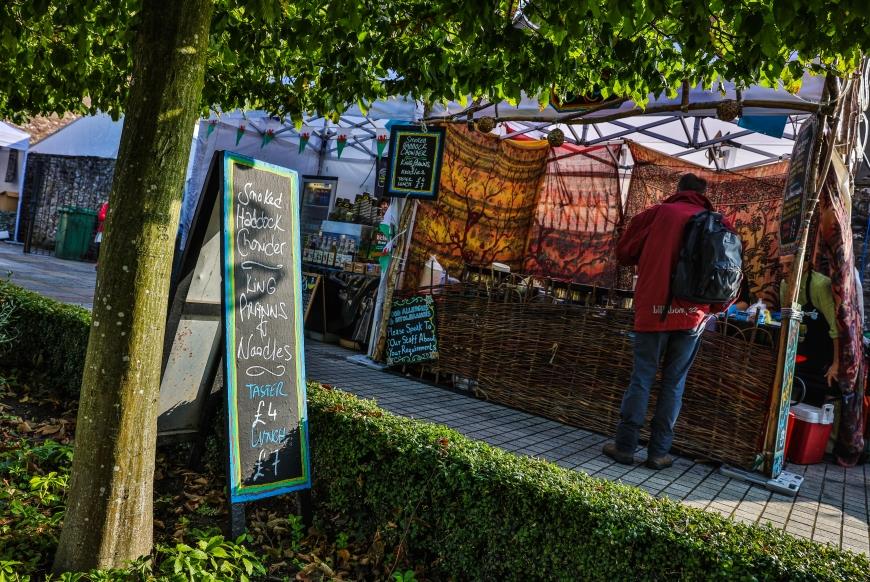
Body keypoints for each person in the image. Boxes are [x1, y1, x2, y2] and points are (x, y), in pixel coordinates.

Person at [602, 174, 738, 469]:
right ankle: (659, 453)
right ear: (703, 194)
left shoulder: (657, 214)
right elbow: (729, 270)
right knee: (674, 384)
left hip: (652, 312)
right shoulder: (718, 222)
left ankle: (625, 447)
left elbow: (624, 253)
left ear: (678, 190)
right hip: (693, 317)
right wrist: (714, 308)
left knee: (642, 377)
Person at [780, 255, 839, 404]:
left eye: (789, 266)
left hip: (824, 355)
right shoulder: (784, 285)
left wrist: (836, 364)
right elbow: (787, 322)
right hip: (801, 351)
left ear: (804, 265)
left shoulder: (820, 285)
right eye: (782, 266)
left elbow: (835, 328)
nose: (784, 270)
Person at [95, 201, 108, 269]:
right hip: (103, 229)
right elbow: (101, 216)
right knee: (98, 246)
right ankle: (99, 261)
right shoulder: (107, 204)